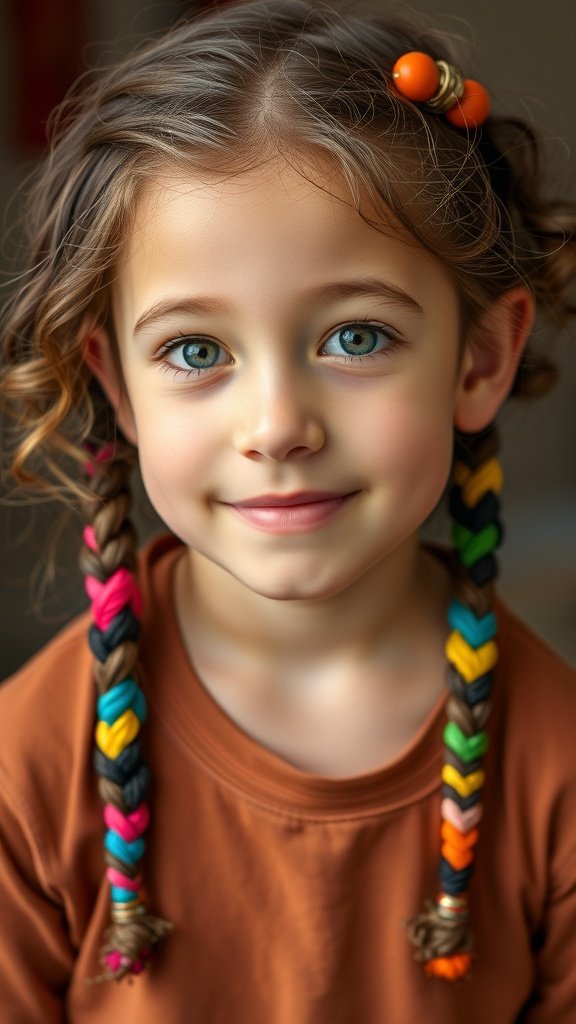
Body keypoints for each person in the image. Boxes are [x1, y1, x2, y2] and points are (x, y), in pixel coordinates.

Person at [0, 0, 575, 1019]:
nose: (277, 425)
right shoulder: (25, 770)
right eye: (195, 351)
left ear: (480, 358)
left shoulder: (555, 763)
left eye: (355, 337)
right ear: (118, 385)